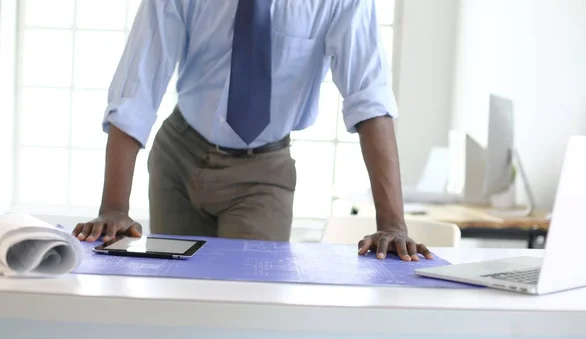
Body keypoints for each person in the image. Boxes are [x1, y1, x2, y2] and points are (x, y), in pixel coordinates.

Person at [72, 0, 433, 261]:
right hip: (178, 158)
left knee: (248, 302)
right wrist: (114, 207)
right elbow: (138, 87)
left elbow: (369, 99)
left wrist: (392, 225)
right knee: (175, 298)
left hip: (263, 171)